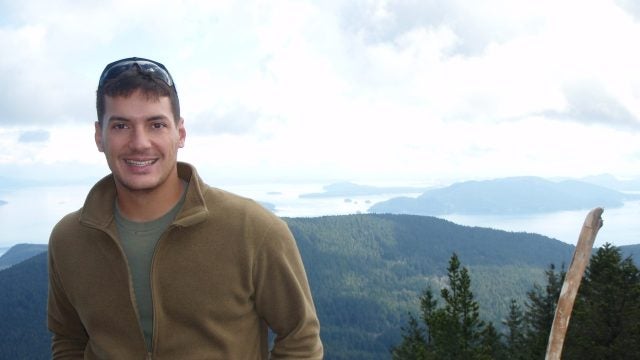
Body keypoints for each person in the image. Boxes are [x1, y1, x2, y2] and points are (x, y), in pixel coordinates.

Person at [47, 57, 323, 359]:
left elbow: (300, 338)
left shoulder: (253, 230)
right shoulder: (69, 240)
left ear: (180, 134)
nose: (139, 142)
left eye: (156, 124)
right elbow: (68, 338)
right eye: (121, 125)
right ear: (100, 136)